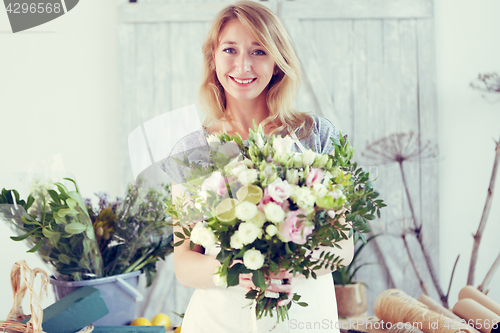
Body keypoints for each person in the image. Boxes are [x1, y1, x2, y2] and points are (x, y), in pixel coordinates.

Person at [165, 1, 355, 332]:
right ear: (213, 57)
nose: (242, 66)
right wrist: (238, 271)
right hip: (219, 322)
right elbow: (184, 264)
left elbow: (342, 246)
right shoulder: (190, 151)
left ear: (277, 63)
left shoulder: (316, 136)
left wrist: (287, 269)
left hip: (305, 321)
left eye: (258, 52)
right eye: (230, 50)